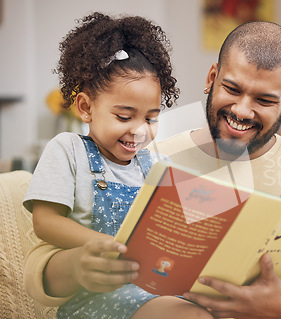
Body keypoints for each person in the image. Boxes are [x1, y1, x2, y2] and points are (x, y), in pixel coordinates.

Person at [24, 20, 281, 318]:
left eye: (265, 100)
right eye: (231, 88)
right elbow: (43, 256)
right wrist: (77, 267)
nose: (242, 110)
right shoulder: (148, 156)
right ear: (211, 78)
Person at [22, 12, 181, 318]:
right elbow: (45, 222)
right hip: (97, 297)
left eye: (151, 118)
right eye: (124, 116)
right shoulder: (68, 150)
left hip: (156, 287)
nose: (139, 130)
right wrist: (112, 245)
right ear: (85, 107)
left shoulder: (161, 166)